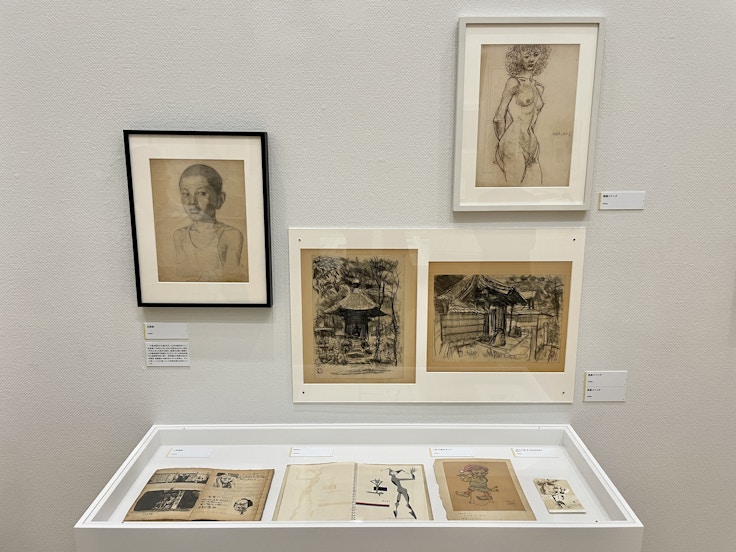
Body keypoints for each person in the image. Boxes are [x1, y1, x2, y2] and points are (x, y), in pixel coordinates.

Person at [173, 164, 244, 281]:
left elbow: (232, 280)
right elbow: (180, 278)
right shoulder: (179, 236)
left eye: (201, 193)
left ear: (220, 199)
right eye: (186, 194)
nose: (192, 202)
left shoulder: (231, 236)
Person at [493, 44, 551, 186]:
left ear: (541, 57)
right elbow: (498, 118)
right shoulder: (514, 83)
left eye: (535, 55)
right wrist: (504, 144)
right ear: (518, 58)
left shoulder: (539, 88)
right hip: (513, 144)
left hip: (532, 145)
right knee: (513, 189)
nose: (531, 59)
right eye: (526, 56)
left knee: (536, 189)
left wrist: (531, 144)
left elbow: (532, 119)